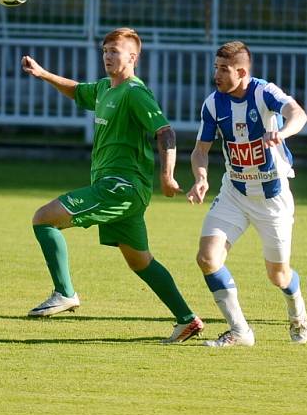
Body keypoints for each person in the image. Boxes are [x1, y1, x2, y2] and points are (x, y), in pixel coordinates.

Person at [21, 27, 204, 344]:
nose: (107, 56)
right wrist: (43, 74)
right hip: (121, 190)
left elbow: (165, 132)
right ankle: (188, 320)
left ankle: (65, 293)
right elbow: (78, 91)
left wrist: (167, 175)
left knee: (43, 218)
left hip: (120, 186)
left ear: (133, 57)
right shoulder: (106, 88)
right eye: (105, 50)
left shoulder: (134, 92)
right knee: (139, 261)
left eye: (114, 51)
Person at [186, 41, 307, 347]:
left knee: (278, 276)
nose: (216, 74)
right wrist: (201, 177)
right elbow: (200, 151)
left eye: (223, 69)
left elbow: (298, 113)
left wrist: (282, 132)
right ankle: (240, 331)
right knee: (207, 258)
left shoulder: (263, 92)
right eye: (215, 67)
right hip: (234, 194)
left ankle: (296, 307)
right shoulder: (213, 104)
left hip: (272, 198)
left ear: (241, 71)